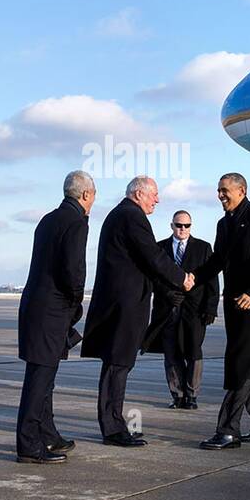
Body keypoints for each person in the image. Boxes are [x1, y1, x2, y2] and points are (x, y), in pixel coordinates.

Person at [82, 176, 192, 447]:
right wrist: (181, 278)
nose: (157, 199)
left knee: (118, 365)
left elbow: (144, 263)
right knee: (117, 365)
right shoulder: (131, 216)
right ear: (138, 193)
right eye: (154, 194)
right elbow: (153, 256)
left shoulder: (123, 214)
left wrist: (168, 289)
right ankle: (113, 429)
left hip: (122, 304)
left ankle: (115, 424)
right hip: (124, 307)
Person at [192, 173, 250, 449]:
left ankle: (228, 430)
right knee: (246, 362)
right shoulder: (224, 224)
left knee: (239, 362)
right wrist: (191, 278)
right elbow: (218, 260)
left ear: (241, 190)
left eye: (224, 190)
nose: (220, 195)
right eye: (218, 190)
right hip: (233, 302)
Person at [15, 170, 94, 464]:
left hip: (35, 307)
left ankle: (47, 434)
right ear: (85, 195)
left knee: (43, 378)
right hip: (53, 311)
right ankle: (28, 445)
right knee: (39, 380)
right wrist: (76, 304)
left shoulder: (48, 219)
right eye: (93, 196)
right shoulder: (76, 222)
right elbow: (73, 270)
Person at [143, 211, 218, 410]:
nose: (182, 229)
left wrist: (211, 308)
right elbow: (152, 276)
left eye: (186, 225)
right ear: (172, 225)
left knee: (194, 352)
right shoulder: (159, 248)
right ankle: (177, 395)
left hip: (194, 310)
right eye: (178, 225)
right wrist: (167, 293)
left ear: (191, 226)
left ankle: (192, 395)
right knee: (171, 353)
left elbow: (212, 280)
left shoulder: (203, 248)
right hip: (167, 309)